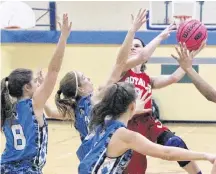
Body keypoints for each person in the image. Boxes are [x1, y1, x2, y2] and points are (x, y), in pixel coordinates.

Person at [77, 82, 216, 174]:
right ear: (132, 107)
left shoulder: (101, 123)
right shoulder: (124, 135)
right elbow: (166, 153)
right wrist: (206, 156)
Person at [119, 36, 204, 174]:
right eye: (130, 46)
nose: (133, 48)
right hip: (128, 125)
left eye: (137, 45)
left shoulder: (147, 79)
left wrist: (191, 57)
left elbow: (173, 77)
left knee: (176, 143)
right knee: (135, 170)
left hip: (149, 122)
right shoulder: (121, 71)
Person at [0, 14, 71, 173]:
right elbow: (53, 70)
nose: (37, 84)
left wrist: (39, 86)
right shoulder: (34, 105)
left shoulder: (6, 109)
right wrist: (63, 37)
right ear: (26, 87)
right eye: (34, 82)